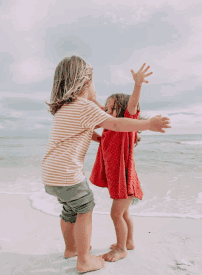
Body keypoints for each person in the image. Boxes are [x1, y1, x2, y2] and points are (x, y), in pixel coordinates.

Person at [41, 56, 170, 274]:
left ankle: (75, 248)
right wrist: (148, 124)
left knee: (70, 211)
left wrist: (136, 88)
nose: (103, 108)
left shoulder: (65, 109)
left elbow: (123, 115)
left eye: (110, 108)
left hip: (51, 176)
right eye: (93, 81)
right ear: (85, 82)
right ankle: (84, 260)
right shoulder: (87, 110)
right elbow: (115, 121)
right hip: (69, 176)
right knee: (85, 209)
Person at [90, 64, 155, 263]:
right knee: (124, 213)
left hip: (125, 180)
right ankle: (129, 242)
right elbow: (103, 141)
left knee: (116, 214)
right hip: (121, 180)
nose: (106, 111)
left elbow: (132, 106)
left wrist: (137, 85)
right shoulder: (109, 130)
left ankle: (121, 249)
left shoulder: (126, 127)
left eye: (111, 108)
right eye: (106, 108)